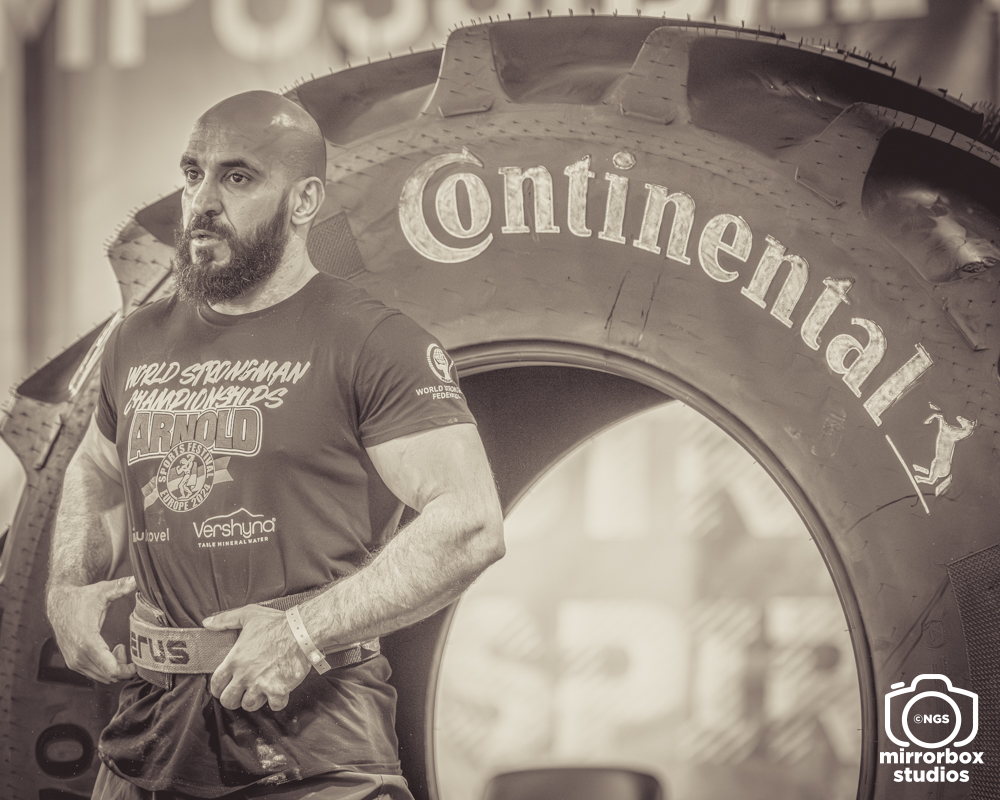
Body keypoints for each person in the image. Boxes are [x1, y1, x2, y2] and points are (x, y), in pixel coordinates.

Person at [44, 90, 505, 800]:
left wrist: (303, 633)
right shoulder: (136, 340)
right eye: (193, 174)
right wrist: (67, 587)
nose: (202, 202)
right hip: (145, 743)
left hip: (312, 748)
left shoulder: (371, 340)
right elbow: (98, 469)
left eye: (238, 177)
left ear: (304, 200)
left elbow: (470, 522)